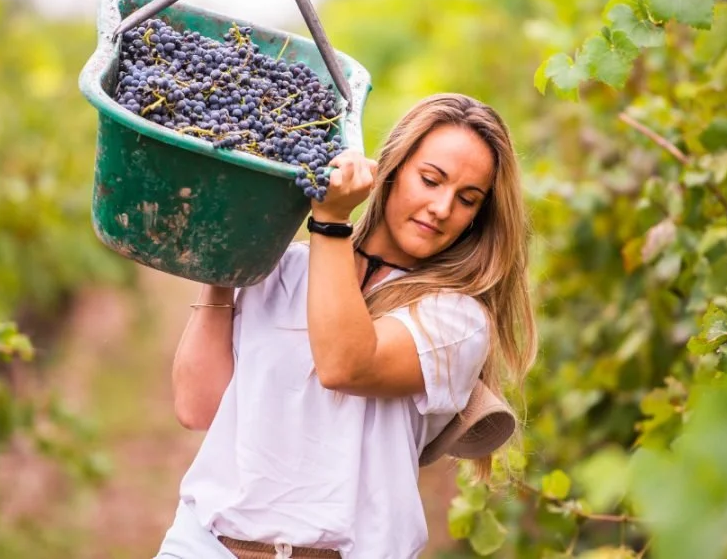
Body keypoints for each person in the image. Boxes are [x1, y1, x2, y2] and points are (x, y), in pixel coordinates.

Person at [156, 92, 538, 559]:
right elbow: (199, 409)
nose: (442, 207)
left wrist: (332, 220)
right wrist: (223, 275)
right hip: (205, 546)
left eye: (467, 199)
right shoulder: (281, 268)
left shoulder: (456, 319)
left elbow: (345, 364)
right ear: (392, 169)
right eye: (430, 179)